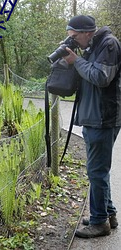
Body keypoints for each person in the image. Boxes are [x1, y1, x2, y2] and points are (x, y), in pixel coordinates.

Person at [63, 15, 121, 238]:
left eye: (75, 37)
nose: (74, 41)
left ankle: (99, 223)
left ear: (87, 32)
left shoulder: (109, 44)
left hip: (103, 118)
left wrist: (76, 61)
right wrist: (73, 60)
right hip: (93, 117)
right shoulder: (92, 46)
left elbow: (100, 77)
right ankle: (108, 214)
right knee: (98, 171)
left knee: (96, 171)